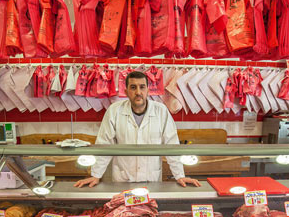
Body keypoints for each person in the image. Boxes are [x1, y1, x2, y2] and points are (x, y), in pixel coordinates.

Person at [75, 67, 203, 191]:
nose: (138, 92)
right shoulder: (114, 111)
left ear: (148, 90)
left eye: (142, 87)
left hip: (151, 180)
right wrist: (95, 175)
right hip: (122, 180)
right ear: (126, 92)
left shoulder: (161, 111)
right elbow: (104, 145)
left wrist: (180, 175)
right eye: (133, 87)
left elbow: (172, 145)